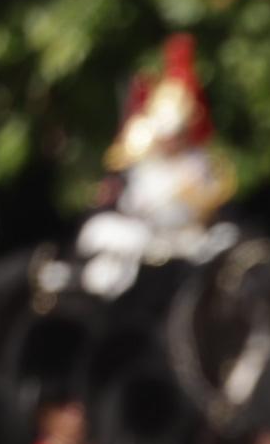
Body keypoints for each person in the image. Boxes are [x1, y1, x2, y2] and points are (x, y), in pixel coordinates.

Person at [78, 36, 237, 301]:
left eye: (177, 135)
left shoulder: (199, 162)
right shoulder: (144, 163)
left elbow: (212, 202)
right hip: (148, 237)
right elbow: (133, 202)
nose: (172, 141)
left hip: (190, 239)